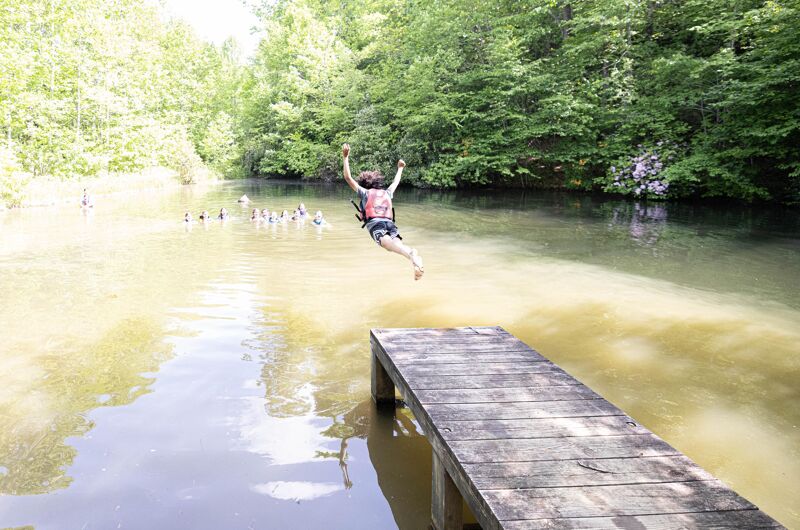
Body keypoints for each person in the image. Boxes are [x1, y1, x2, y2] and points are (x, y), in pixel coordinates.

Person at [342, 143, 423, 280]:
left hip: (376, 223)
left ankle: (412, 255)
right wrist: (400, 169)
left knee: (386, 244)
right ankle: (411, 254)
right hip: (389, 223)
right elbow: (395, 182)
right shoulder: (387, 192)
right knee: (396, 245)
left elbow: (348, 178)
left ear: (365, 184)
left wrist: (345, 157)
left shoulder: (365, 193)